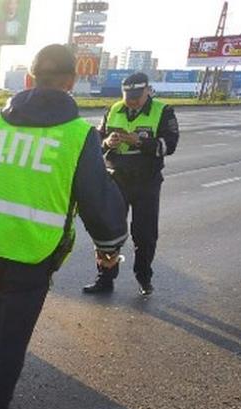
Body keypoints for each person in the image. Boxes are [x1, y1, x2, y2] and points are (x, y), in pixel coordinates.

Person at [0, 44, 127, 409]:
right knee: (10, 344)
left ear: (29, 79)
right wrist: (109, 248)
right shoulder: (78, 135)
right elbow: (97, 200)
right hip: (33, 256)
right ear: (71, 82)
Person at [82, 72, 180, 296]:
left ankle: (144, 277)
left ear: (148, 91)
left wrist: (140, 142)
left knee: (144, 235)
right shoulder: (114, 109)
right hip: (116, 179)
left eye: (137, 95)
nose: (132, 100)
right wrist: (108, 142)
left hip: (147, 183)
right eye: (128, 95)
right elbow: (99, 140)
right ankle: (105, 278)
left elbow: (170, 145)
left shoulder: (163, 112)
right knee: (108, 233)